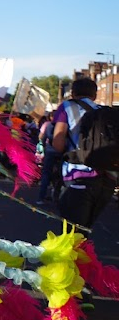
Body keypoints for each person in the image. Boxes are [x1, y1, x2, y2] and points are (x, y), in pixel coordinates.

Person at [52, 77, 115, 231]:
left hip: (77, 177)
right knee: (84, 232)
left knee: (71, 235)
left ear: (73, 93)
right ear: (94, 95)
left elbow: (57, 142)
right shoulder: (104, 111)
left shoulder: (67, 107)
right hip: (106, 180)